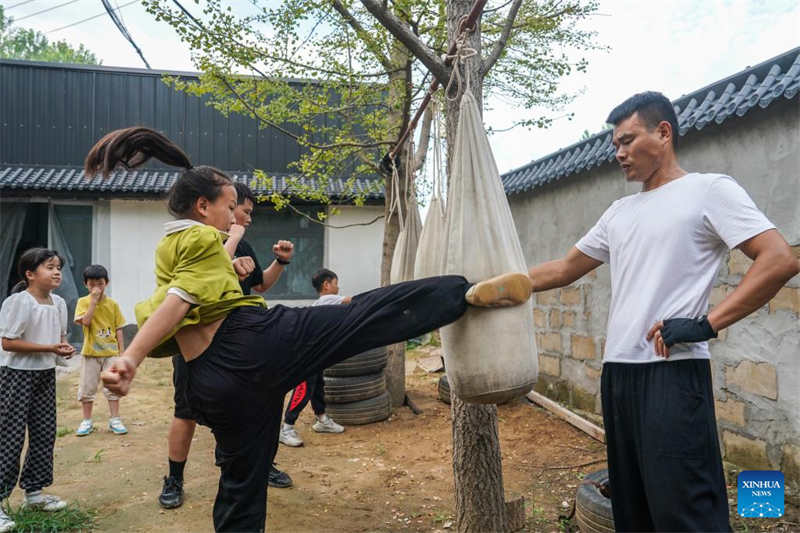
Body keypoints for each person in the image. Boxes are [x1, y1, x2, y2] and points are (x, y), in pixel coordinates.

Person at [87, 126, 533, 532]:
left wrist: (138, 353)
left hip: (211, 380)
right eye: (229, 208)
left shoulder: (169, 244)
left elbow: (181, 299)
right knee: (360, 316)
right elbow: (180, 299)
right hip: (250, 345)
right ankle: (462, 293)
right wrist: (131, 357)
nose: (235, 218)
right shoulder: (204, 237)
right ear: (203, 207)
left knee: (242, 482)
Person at [525, 91, 799, 532]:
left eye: (628, 141)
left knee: (684, 512)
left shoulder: (709, 190)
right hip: (618, 375)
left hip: (672, 374)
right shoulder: (619, 212)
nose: (619, 153)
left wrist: (706, 323)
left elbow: (779, 259)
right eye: (615, 145)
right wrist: (501, 283)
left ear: (664, 133)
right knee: (633, 510)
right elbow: (564, 268)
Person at [158, 182, 293, 510]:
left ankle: (259, 464)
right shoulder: (195, 240)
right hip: (196, 343)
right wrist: (231, 238)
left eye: (245, 212)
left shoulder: (240, 242)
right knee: (186, 411)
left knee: (252, 407)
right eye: (242, 211)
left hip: (238, 342)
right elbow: (207, 275)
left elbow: (257, 285)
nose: (246, 218)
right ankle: (174, 478)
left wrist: (280, 262)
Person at [0, 248, 76, 532]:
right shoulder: (19, 302)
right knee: (10, 436)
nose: (57, 272)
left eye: (58, 267)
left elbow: (59, 339)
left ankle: (34, 493)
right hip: (16, 376)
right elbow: (8, 342)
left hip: (44, 374)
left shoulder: (58, 303)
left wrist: (63, 349)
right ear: (30, 274)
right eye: (49, 267)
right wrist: (49, 348)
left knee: (44, 433)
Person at [279, 268, 350, 447]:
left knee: (318, 386)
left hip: (315, 353)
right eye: (335, 283)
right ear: (326, 285)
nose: (338, 287)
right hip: (307, 354)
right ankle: (286, 428)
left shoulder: (318, 303)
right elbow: (352, 302)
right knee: (304, 388)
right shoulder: (328, 300)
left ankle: (322, 419)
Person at [74, 264, 127, 437]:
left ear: (107, 283)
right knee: (87, 388)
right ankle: (87, 420)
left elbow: (118, 328)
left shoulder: (113, 304)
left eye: (100, 283)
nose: (96, 288)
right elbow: (86, 321)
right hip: (90, 353)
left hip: (110, 353)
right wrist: (93, 302)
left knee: (112, 387)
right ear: (85, 285)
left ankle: (115, 419)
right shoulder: (83, 302)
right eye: (92, 284)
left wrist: (122, 353)